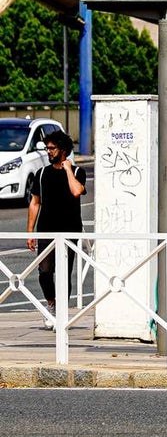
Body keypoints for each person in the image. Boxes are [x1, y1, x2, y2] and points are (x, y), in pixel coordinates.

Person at [26, 129, 87, 328]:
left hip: (69, 231)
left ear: (63, 149)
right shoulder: (41, 174)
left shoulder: (78, 172)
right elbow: (35, 203)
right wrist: (30, 232)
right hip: (46, 230)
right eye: (47, 148)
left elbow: (77, 191)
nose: (48, 152)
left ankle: (61, 312)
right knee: (44, 271)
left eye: (51, 148)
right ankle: (51, 304)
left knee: (64, 273)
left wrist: (68, 169)